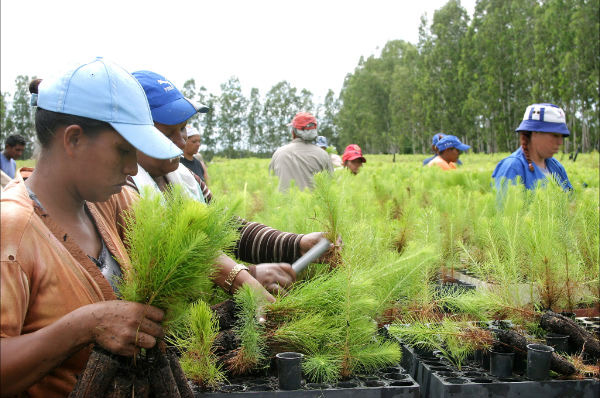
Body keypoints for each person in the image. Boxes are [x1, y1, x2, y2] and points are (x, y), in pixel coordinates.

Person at [0, 58, 180, 398]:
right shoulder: (12, 229)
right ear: (74, 139)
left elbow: (182, 234)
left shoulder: (106, 201)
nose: (132, 168)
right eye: (123, 151)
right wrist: (85, 325)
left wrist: (243, 274)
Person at [131, 71, 337, 299]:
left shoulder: (186, 179)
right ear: (132, 132)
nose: (181, 143)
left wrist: (296, 244)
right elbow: (162, 270)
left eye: (182, 129)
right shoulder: (124, 190)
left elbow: (228, 230)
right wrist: (244, 276)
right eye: (168, 134)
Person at [492, 103, 572, 191]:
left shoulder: (555, 166)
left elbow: (570, 199)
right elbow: (506, 203)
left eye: (562, 136)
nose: (560, 142)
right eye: (555, 135)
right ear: (535, 133)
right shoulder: (512, 168)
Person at [269, 112, 333, 191]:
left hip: (282, 203)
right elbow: (330, 185)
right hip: (313, 203)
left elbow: (271, 184)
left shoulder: (279, 153)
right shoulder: (323, 155)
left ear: (294, 131)